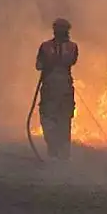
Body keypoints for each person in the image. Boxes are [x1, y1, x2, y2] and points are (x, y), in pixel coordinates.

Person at [35, 18, 79, 160]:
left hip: (50, 88)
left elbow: (39, 65)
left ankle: (54, 153)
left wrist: (49, 63)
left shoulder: (45, 46)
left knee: (48, 119)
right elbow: (72, 61)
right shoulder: (73, 47)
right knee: (64, 122)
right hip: (64, 88)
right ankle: (63, 156)